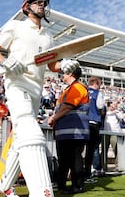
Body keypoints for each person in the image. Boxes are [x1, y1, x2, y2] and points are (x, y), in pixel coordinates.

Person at [0, 0, 79, 197]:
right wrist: (6, 61)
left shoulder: (47, 35)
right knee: (31, 132)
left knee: (21, 136)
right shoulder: (16, 26)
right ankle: (42, 193)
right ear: (26, 6)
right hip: (17, 84)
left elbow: (51, 64)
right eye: (37, 2)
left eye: (44, 3)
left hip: (36, 89)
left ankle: (5, 185)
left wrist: (64, 65)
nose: (41, 5)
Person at [47, 65, 90, 194]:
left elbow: (68, 107)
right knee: (64, 160)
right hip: (65, 132)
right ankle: (61, 185)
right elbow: (63, 107)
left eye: (64, 73)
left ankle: (78, 186)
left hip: (74, 132)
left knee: (74, 159)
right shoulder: (68, 89)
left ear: (71, 74)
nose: (62, 75)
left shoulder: (78, 87)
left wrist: (54, 118)